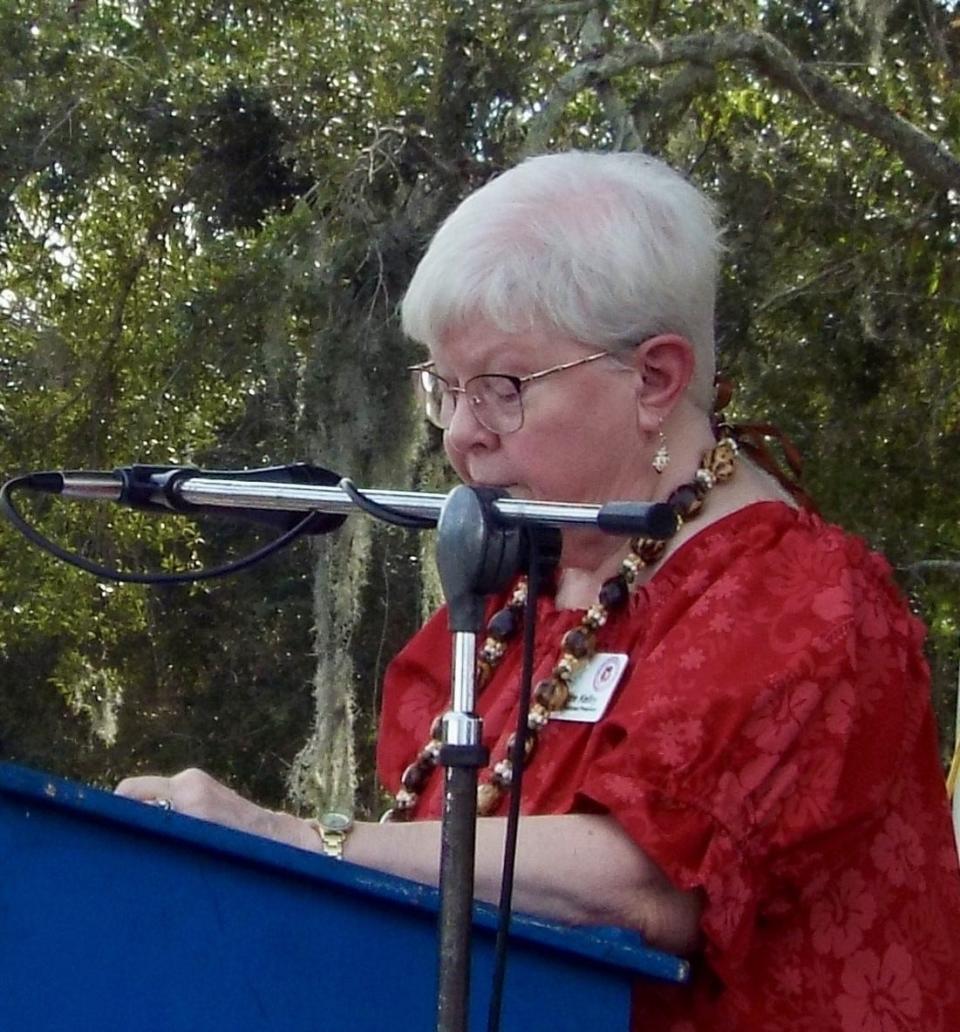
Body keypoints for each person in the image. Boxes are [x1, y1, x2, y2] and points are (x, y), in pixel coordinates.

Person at [117, 151, 960, 1030]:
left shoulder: (805, 604)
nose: (461, 439)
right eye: (445, 391)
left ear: (655, 379)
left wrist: (293, 839)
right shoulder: (519, 597)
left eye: (502, 389)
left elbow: (643, 889)